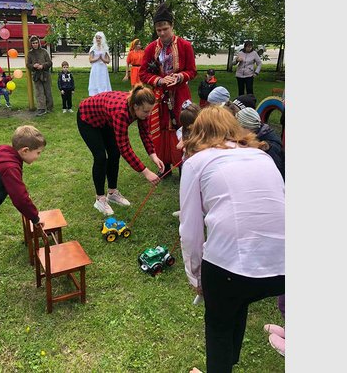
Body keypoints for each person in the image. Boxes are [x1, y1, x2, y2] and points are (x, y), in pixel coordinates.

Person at [179, 106, 285, 372]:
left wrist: (196, 277)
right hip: (283, 266)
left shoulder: (195, 163)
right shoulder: (262, 156)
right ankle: (230, 359)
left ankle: (222, 365)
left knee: (219, 325)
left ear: (198, 132)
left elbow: (190, 230)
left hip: (231, 271)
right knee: (237, 298)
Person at [77, 86, 164, 216]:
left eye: (150, 111)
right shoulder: (121, 113)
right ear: (135, 106)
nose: (148, 115)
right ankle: (100, 199)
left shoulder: (140, 109)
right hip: (88, 118)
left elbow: (145, 133)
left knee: (114, 153)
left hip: (106, 119)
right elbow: (125, 147)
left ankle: (112, 193)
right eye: (146, 111)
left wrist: (153, 155)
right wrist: (146, 172)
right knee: (101, 157)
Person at [139, 2, 197, 177]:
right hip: (159, 95)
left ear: (172, 26)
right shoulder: (151, 48)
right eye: (159, 30)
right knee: (160, 128)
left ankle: (183, 164)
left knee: (182, 126)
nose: (162, 33)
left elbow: (192, 71)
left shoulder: (185, 46)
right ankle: (164, 165)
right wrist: (159, 80)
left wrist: (179, 77)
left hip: (179, 94)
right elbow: (143, 73)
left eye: (165, 29)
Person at [0, 125, 46, 246]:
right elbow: (20, 198)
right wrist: (35, 218)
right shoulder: (10, 167)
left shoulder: (5, 157)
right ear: (25, 150)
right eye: (38, 152)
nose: (38, 156)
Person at [236, 107, 285, 179]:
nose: (237, 132)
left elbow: (277, 173)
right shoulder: (258, 135)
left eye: (239, 128)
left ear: (248, 127)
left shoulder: (270, 147)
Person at [26, 35, 53, 116]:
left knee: (47, 91)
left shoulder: (44, 51)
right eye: (33, 43)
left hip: (45, 74)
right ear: (31, 44)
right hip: (36, 75)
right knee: (39, 92)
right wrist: (33, 66)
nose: (35, 44)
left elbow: (50, 63)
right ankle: (41, 108)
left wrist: (43, 66)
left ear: (38, 43)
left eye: (36, 43)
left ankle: (49, 107)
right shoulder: (30, 54)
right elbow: (28, 64)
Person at [88, 31, 112, 96]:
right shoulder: (93, 48)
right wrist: (97, 58)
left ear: (102, 39)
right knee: (95, 80)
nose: (98, 39)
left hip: (103, 67)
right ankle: (95, 94)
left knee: (103, 81)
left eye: (99, 38)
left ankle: (104, 94)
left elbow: (108, 60)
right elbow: (90, 60)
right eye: (97, 38)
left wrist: (102, 59)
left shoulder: (105, 48)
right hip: (95, 67)